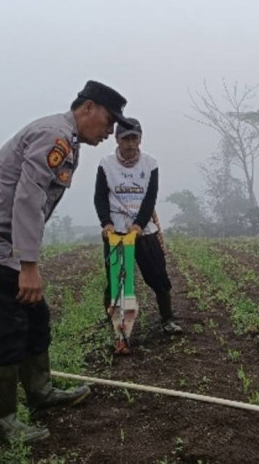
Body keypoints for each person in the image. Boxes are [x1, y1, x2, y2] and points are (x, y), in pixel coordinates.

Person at [0, 80, 134, 442]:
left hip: (5, 243)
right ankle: (4, 423)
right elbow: (28, 199)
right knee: (5, 329)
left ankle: (40, 391)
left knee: (36, 316)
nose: (111, 131)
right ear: (88, 108)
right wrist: (28, 265)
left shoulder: (67, 139)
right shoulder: (56, 136)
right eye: (109, 121)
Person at [94, 117, 182, 355]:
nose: (130, 144)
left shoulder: (150, 164)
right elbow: (100, 197)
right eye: (125, 139)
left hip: (143, 231)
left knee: (158, 276)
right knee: (117, 281)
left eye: (134, 138)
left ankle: (167, 319)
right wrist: (107, 223)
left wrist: (139, 225)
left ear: (140, 139)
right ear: (117, 140)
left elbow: (150, 198)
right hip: (116, 231)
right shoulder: (106, 165)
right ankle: (117, 329)